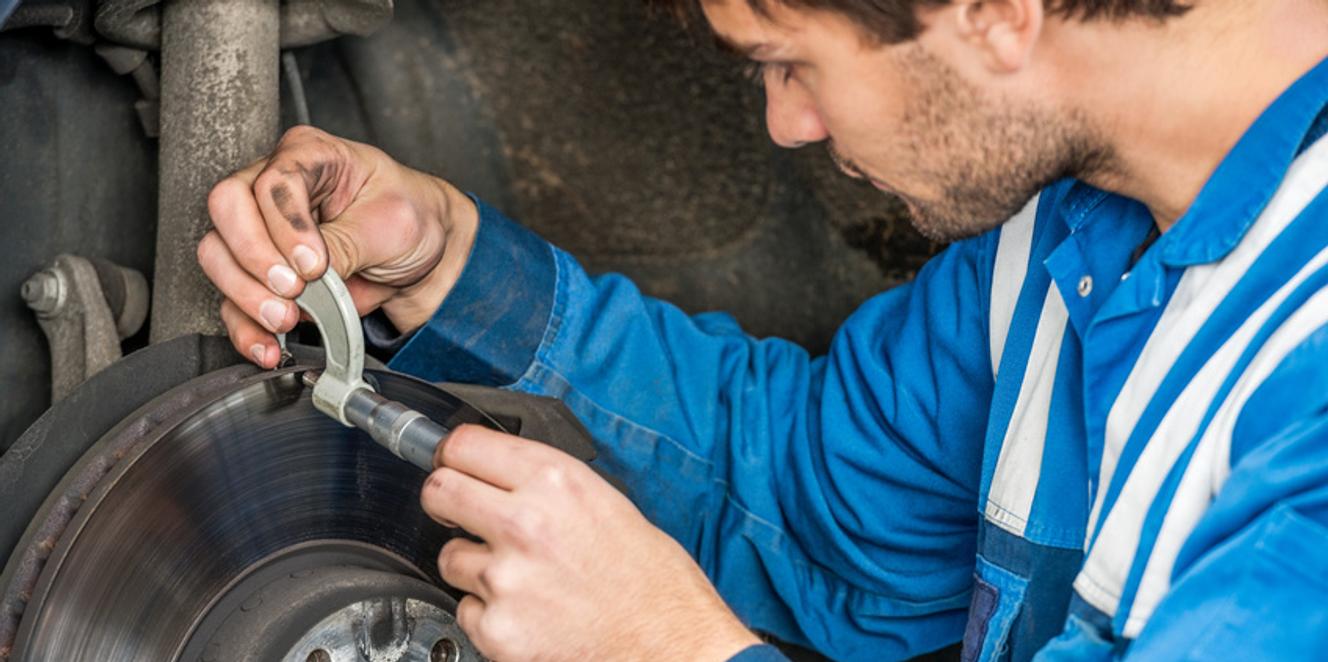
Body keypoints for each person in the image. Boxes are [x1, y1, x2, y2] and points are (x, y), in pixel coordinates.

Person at [197, 0, 1328, 659]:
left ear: (992, 14)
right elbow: (801, 503)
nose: (786, 125)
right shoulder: (1069, 240)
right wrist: (450, 269)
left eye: (792, 61)